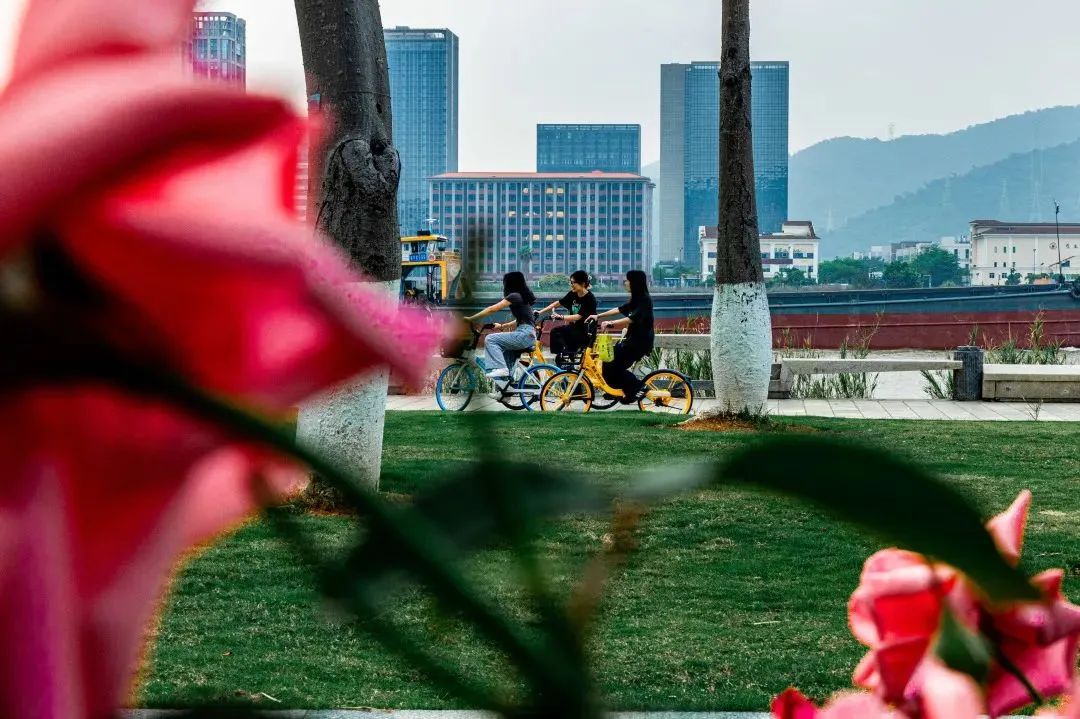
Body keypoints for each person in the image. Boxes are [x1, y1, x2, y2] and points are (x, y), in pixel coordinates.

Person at [587, 269, 654, 404]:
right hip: (631, 341)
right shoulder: (636, 299)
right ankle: (616, 390)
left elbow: (632, 319)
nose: (625, 282)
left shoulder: (644, 300)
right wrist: (598, 316)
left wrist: (611, 323)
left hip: (639, 343)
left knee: (614, 365)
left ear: (635, 282)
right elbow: (619, 309)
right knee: (607, 361)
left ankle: (639, 387)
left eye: (628, 280)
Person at [464, 271, 536, 379]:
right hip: (527, 334)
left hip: (524, 334)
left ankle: (501, 368)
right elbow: (520, 320)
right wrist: (502, 326)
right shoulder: (521, 298)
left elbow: (492, 309)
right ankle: (506, 385)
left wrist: (471, 318)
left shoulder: (514, 296)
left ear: (510, 283)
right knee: (506, 355)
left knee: (490, 339)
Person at [538, 270, 597, 368]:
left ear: (583, 284)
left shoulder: (590, 298)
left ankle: (566, 356)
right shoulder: (573, 294)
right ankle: (563, 357)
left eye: (574, 282)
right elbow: (557, 303)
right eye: (571, 282)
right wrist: (540, 312)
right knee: (556, 333)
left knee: (560, 333)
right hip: (574, 329)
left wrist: (561, 317)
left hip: (586, 332)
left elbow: (578, 316)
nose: (571, 285)